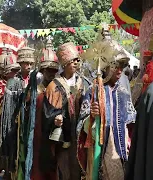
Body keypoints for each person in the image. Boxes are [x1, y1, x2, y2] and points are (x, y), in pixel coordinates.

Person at [77, 39, 137, 179]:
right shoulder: (93, 92)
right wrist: (91, 117)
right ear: (106, 67)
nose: (120, 71)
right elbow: (82, 127)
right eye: (116, 66)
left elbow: (131, 123)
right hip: (100, 148)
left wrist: (129, 142)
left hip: (121, 148)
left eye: (122, 67)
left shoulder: (123, 93)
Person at [43, 42, 87, 180]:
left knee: (79, 166)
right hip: (63, 138)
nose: (75, 63)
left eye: (77, 60)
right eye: (72, 60)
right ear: (64, 63)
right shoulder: (53, 86)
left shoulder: (84, 83)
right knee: (64, 167)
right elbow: (47, 113)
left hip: (81, 133)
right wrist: (55, 120)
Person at [0, 47, 35, 180]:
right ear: (20, 64)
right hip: (17, 124)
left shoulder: (35, 80)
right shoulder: (12, 82)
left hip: (32, 123)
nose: (29, 66)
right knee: (17, 152)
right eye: (26, 63)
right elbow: (8, 110)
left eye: (31, 63)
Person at [31, 37, 60, 180]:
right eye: (48, 70)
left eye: (54, 70)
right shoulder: (34, 91)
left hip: (53, 133)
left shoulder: (57, 89)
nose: (51, 73)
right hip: (38, 132)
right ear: (42, 70)